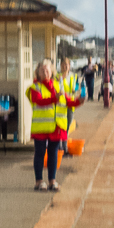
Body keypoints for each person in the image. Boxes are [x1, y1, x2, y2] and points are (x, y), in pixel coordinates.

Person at [27, 58, 70, 192]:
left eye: (47, 69)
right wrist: (54, 98)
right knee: (40, 153)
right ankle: (39, 181)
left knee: (53, 153)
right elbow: (38, 101)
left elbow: (65, 100)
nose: (45, 72)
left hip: (55, 126)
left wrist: (78, 101)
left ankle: (52, 180)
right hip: (40, 127)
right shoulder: (35, 87)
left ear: (51, 71)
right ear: (37, 73)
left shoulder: (57, 85)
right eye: (42, 70)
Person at [54, 57, 81, 155]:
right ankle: (62, 148)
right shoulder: (57, 76)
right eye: (63, 64)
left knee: (67, 126)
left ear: (69, 66)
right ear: (60, 66)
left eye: (67, 64)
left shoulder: (73, 76)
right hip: (61, 105)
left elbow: (77, 85)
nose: (65, 66)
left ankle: (63, 147)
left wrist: (76, 90)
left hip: (71, 103)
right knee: (61, 127)